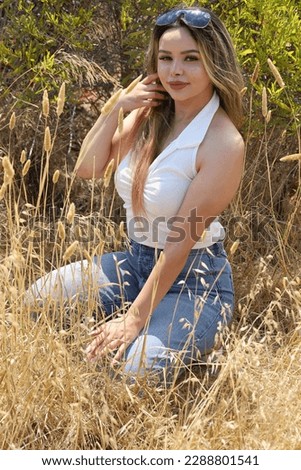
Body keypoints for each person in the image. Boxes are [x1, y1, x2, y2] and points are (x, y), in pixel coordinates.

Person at [28, 5, 245, 384]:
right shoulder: (149, 114)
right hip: (135, 260)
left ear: (214, 62)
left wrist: (132, 320)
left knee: (135, 373)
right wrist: (117, 108)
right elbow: (88, 168)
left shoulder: (222, 142)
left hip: (195, 281)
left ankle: (187, 350)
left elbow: (180, 242)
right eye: (166, 58)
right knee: (38, 302)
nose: (175, 71)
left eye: (190, 59)